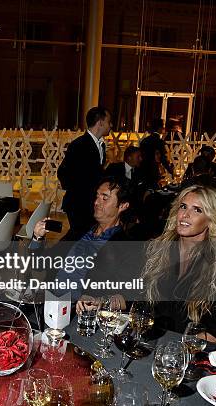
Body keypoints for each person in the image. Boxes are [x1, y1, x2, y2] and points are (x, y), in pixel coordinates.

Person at [140, 184, 216, 342]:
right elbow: (138, 298)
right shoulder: (157, 250)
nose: (185, 215)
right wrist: (107, 300)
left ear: (210, 220)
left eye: (197, 210)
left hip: (188, 355)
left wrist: (176, 350)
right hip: (147, 342)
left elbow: (215, 332)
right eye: (183, 207)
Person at [31, 177, 133, 302]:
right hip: (48, 300)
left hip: (79, 311)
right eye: (97, 196)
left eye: (104, 198)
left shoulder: (124, 246)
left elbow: (127, 294)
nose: (96, 202)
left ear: (123, 206)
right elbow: (39, 264)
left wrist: (98, 302)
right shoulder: (79, 231)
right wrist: (37, 238)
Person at [57, 106, 111, 239]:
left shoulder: (101, 145)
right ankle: (51, 257)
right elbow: (63, 172)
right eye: (109, 122)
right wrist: (78, 189)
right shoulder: (79, 144)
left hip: (91, 202)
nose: (111, 125)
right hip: (79, 203)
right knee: (78, 236)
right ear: (100, 122)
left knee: (80, 237)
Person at [140, 118, 174, 187]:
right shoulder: (159, 142)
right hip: (153, 170)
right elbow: (163, 158)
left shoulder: (145, 140)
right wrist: (170, 170)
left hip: (143, 169)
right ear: (159, 128)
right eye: (163, 126)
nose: (164, 128)